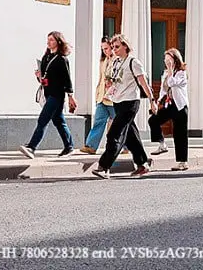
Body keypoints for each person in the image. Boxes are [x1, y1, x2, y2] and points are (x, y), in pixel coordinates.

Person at [92, 34, 154, 179]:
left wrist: (152, 100)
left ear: (125, 46)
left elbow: (143, 83)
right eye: (113, 47)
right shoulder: (116, 62)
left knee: (114, 134)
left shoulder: (133, 62)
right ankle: (142, 164)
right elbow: (114, 81)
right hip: (117, 102)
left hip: (130, 102)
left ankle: (104, 166)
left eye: (117, 47)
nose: (114, 49)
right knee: (131, 136)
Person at [19, 32, 77, 159]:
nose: (48, 42)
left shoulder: (62, 59)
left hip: (57, 95)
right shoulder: (46, 58)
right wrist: (39, 76)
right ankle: (69, 146)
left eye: (51, 40)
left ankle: (32, 147)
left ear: (58, 42)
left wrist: (70, 96)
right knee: (59, 121)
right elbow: (44, 80)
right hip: (48, 93)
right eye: (48, 40)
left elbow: (67, 79)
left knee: (43, 120)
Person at [148, 48, 190, 171]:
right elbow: (164, 88)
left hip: (180, 106)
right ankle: (162, 144)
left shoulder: (182, 73)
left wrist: (171, 70)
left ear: (175, 59)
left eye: (168, 59)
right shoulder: (166, 73)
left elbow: (172, 83)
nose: (166, 61)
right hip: (169, 104)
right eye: (165, 59)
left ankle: (182, 162)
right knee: (153, 120)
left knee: (179, 134)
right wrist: (158, 101)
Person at [80, 37, 115, 154]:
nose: (105, 51)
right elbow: (101, 79)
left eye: (106, 48)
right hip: (102, 97)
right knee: (98, 121)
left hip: (113, 99)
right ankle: (91, 146)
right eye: (103, 49)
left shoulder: (117, 61)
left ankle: (125, 146)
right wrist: (97, 95)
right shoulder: (103, 61)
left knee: (119, 123)